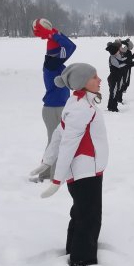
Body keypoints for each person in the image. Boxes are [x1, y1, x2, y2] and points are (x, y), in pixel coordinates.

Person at [32, 63, 108, 266]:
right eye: (94, 77)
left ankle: (74, 249)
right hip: (86, 172)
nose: (99, 80)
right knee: (89, 217)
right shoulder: (81, 108)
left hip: (87, 169)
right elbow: (67, 143)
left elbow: (59, 132)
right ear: (82, 82)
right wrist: (57, 179)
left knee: (81, 213)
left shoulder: (76, 102)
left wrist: (47, 161)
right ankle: (82, 259)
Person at [31, 19, 76, 182]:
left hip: (57, 107)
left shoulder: (55, 64)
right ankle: (52, 175)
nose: (64, 54)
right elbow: (71, 46)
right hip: (53, 109)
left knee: (55, 142)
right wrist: (53, 35)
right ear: (56, 53)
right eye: (60, 51)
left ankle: (47, 174)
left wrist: (55, 33)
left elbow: (69, 46)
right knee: (55, 143)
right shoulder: (52, 65)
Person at [106, 40, 134, 112]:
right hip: (113, 78)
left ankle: (111, 106)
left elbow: (124, 59)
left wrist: (133, 57)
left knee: (115, 92)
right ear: (114, 52)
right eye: (117, 51)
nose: (119, 52)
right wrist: (131, 64)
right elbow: (120, 65)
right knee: (114, 93)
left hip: (117, 77)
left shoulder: (117, 56)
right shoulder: (112, 58)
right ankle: (113, 108)